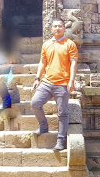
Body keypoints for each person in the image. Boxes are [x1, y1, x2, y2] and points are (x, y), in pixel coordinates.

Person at [31, 19, 78, 151]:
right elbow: (42, 62)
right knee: (35, 103)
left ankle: (60, 140)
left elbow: (73, 64)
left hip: (62, 84)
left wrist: (71, 81)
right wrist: (37, 78)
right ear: (51, 29)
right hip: (47, 82)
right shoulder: (46, 44)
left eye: (60, 26)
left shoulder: (70, 44)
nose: (57, 28)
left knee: (62, 113)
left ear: (64, 28)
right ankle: (43, 126)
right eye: (55, 26)